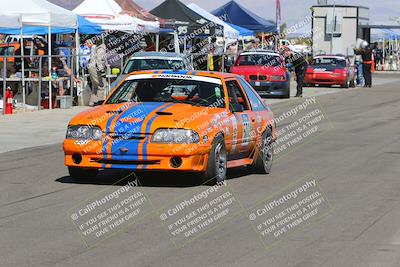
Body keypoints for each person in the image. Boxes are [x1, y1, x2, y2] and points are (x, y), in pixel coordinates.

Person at [87, 38, 108, 106]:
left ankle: (92, 101)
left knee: (95, 86)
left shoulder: (96, 48)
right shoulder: (102, 48)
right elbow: (99, 60)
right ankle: (99, 102)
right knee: (101, 85)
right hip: (96, 68)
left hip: (91, 67)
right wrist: (101, 70)